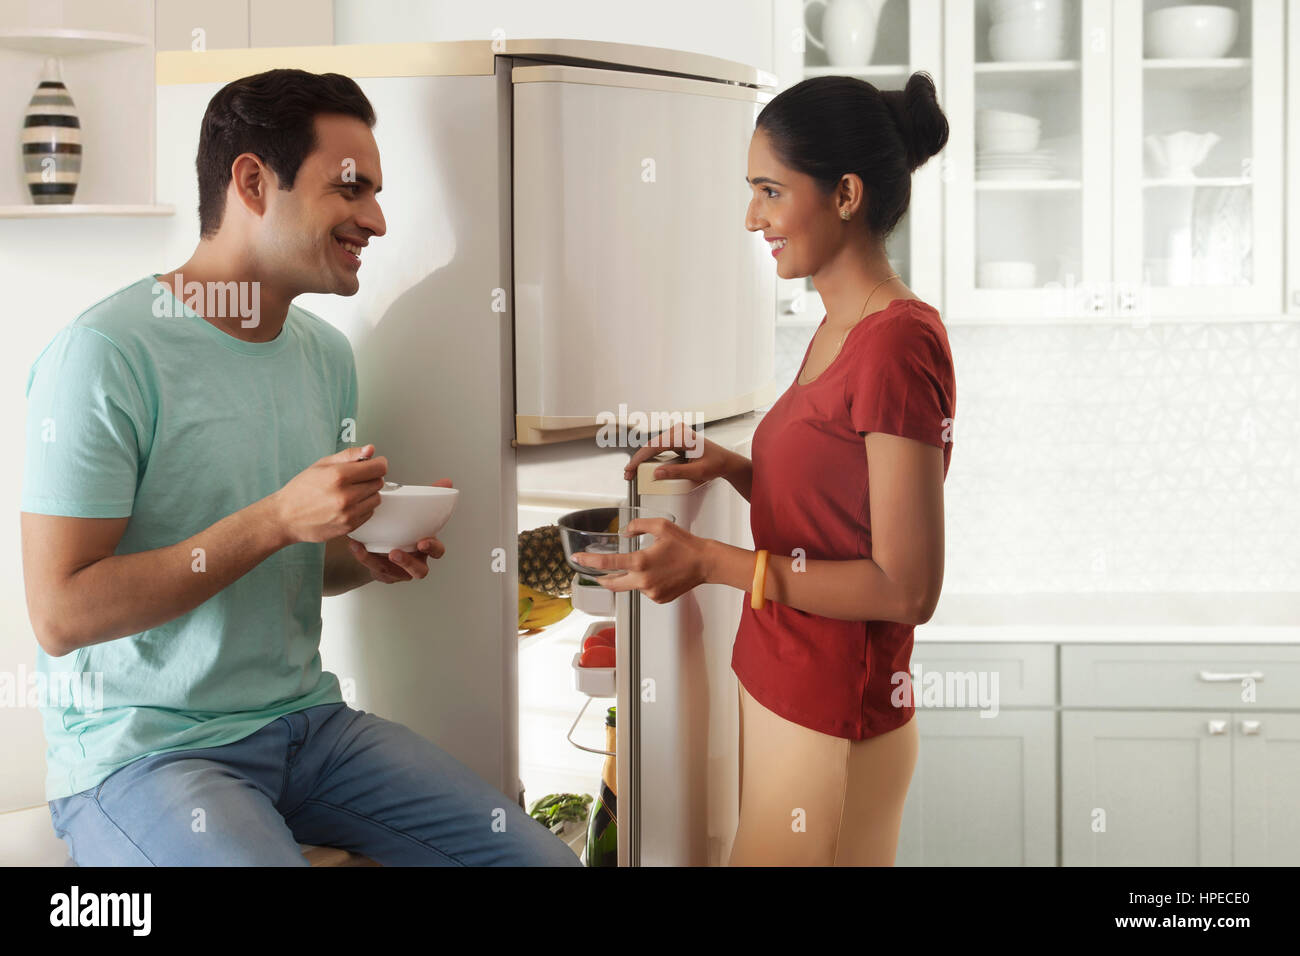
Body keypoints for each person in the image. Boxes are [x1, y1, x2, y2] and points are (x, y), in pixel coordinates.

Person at [20, 68, 578, 866]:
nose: (375, 220)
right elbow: (62, 613)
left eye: (378, 194)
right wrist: (278, 517)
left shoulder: (324, 355)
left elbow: (282, 562)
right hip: (144, 755)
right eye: (351, 189)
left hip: (307, 731)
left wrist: (360, 556)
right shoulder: (104, 356)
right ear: (252, 181)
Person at [573, 73, 955, 866]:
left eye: (770, 191)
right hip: (786, 688)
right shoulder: (839, 327)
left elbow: (906, 587)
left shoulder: (895, 342)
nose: (754, 218)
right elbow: (839, 510)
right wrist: (737, 467)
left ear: (845, 193)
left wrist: (710, 561)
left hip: (831, 712)